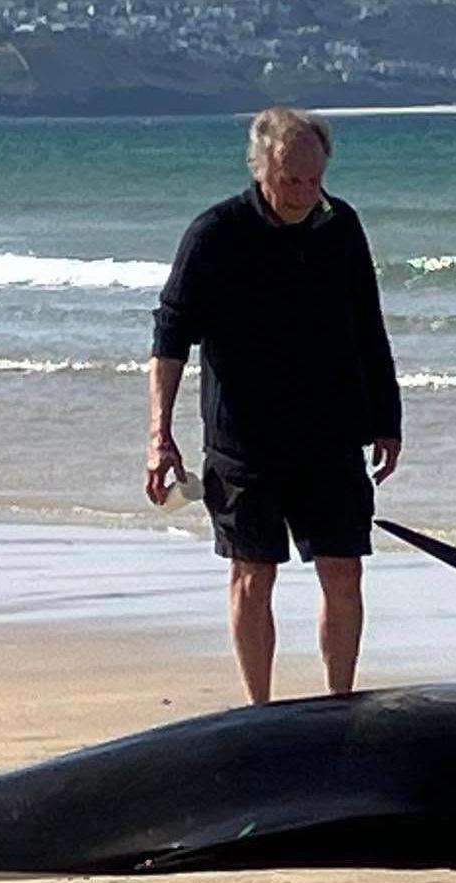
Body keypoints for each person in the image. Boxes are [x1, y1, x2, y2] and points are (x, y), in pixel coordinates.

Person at [145, 106, 403, 704]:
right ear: (261, 169)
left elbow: (369, 324)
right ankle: (258, 711)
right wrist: (159, 435)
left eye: (315, 181)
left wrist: (386, 418)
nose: (307, 194)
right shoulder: (215, 234)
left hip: (332, 436)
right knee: (252, 576)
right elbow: (170, 337)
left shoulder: (341, 225)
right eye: (292, 181)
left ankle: (339, 701)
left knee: (343, 570)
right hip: (244, 442)